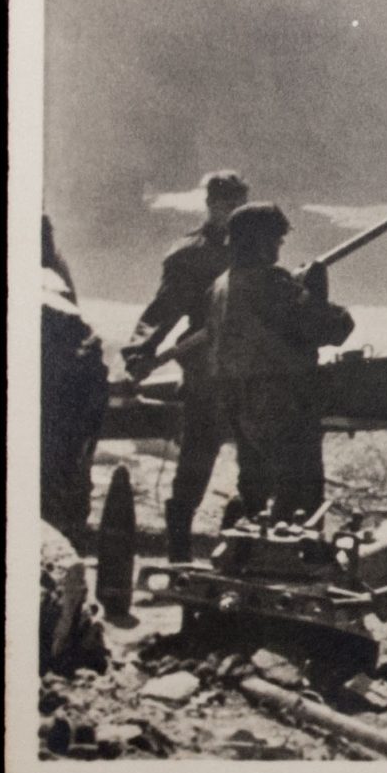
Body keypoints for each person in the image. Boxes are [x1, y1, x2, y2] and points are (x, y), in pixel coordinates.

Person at [122, 170, 249, 562]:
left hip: (252, 369)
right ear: (210, 204)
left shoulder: (254, 249)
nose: (232, 211)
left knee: (256, 461)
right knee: (198, 458)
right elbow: (163, 310)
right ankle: (179, 546)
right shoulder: (191, 254)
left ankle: (243, 544)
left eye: (239, 204)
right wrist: (140, 352)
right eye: (225, 203)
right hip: (206, 369)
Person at [207, 202, 355, 523]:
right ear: (260, 241)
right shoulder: (270, 282)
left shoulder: (220, 286)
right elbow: (331, 328)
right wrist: (314, 291)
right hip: (281, 400)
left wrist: (295, 287)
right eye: (276, 238)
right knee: (301, 496)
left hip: (238, 401)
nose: (280, 244)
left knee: (255, 487)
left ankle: (246, 543)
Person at [41, 265, 108, 548]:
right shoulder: (75, 321)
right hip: (74, 402)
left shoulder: (57, 318)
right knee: (69, 471)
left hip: (65, 400)